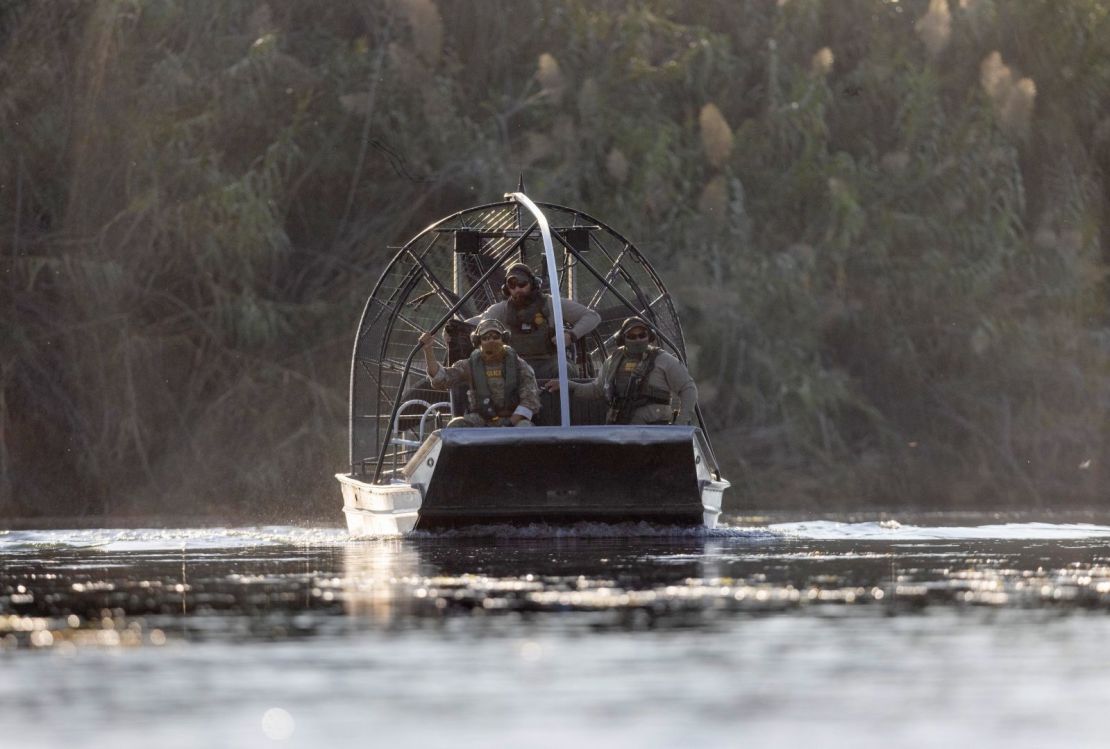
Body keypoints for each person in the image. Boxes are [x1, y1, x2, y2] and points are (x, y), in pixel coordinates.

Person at [545, 316, 698, 425]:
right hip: (620, 427)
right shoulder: (613, 361)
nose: (638, 339)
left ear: (649, 337)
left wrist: (681, 422)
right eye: (632, 336)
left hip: (654, 431)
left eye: (642, 335)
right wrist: (567, 385)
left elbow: (688, 388)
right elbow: (596, 389)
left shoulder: (663, 360)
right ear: (623, 339)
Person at [471, 262, 601, 380]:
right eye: (512, 285)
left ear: (532, 283)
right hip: (514, 365)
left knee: (564, 369)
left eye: (522, 284)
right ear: (506, 289)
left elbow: (592, 317)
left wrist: (571, 335)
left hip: (549, 363)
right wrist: (450, 329)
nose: (518, 289)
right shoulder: (501, 309)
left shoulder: (551, 304)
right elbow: (478, 322)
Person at [420, 318, 541, 428]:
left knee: (525, 428)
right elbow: (441, 379)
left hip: (514, 419)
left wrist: (510, 423)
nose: (491, 341)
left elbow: (530, 401)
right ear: (478, 342)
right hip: (481, 419)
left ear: (504, 340)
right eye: (486, 338)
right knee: (456, 426)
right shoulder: (469, 365)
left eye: (495, 337)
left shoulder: (519, 365)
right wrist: (428, 350)